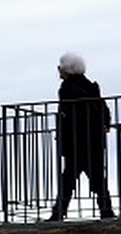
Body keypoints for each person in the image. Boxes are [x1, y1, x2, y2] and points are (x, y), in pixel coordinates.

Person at [49, 53, 115, 221]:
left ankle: (58, 213)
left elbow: (71, 115)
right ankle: (106, 211)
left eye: (60, 67)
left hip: (76, 142)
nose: (59, 71)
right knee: (97, 177)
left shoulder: (67, 88)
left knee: (69, 179)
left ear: (67, 70)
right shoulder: (91, 86)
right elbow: (102, 108)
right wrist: (104, 123)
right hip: (94, 141)